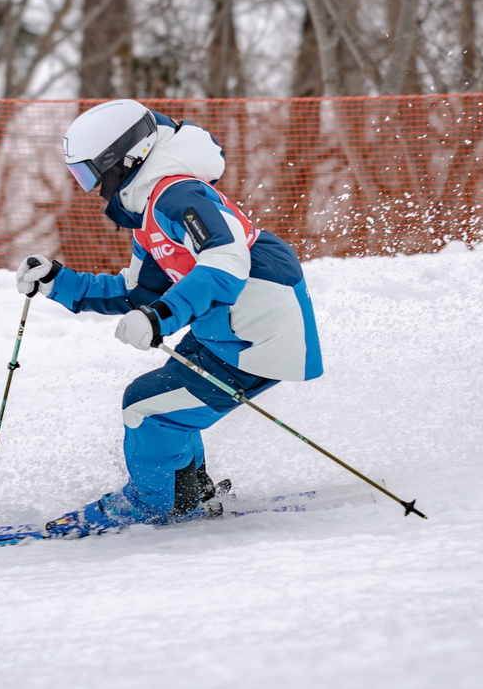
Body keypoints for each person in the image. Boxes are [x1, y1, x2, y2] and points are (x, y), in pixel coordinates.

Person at [17, 99, 323, 537]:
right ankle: (187, 491)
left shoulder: (178, 194)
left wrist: (159, 318)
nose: (91, 188)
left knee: (145, 406)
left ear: (125, 159)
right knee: (165, 394)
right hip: (225, 329)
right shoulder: (150, 211)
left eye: (90, 174)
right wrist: (57, 282)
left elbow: (225, 259)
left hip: (258, 334)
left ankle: (154, 503)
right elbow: (137, 290)